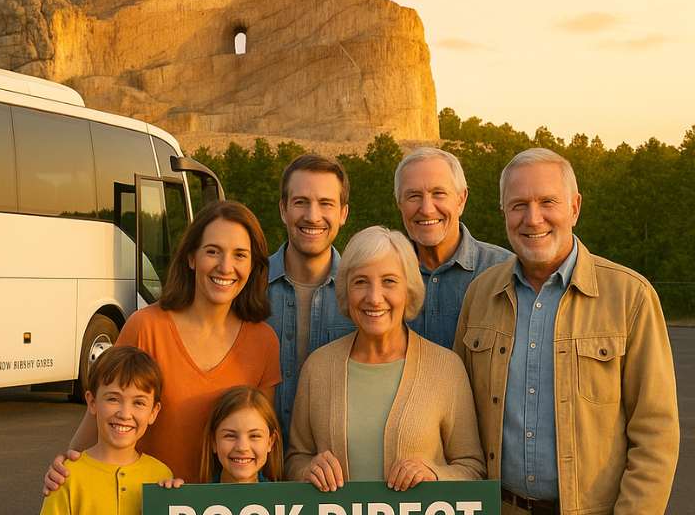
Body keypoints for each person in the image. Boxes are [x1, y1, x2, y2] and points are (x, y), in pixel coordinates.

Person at [454, 148, 679, 514]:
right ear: (504, 214)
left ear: (574, 207)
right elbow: (458, 417)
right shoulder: (480, 294)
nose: (533, 218)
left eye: (547, 202)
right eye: (518, 205)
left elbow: (655, 434)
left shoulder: (630, 297)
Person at [44, 200, 280, 489]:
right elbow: (99, 418)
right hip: (145, 501)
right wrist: (66, 470)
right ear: (191, 257)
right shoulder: (145, 327)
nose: (226, 266)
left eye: (240, 255)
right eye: (212, 251)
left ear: (253, 264)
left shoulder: (264, 341)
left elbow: (260, 436)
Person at [285, 226, 485, 491]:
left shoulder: (446, 368)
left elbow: (472, 469)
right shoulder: (318, 367)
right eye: (360, 282)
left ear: (409, 289)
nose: (374, 297)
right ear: (346, 290)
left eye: (389, 281)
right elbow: (294, 459)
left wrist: (435, 475)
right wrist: (306, 470)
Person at [267, 154, 357, 443]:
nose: (312, 216)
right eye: (300, 202)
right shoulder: (246, 286)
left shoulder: (365, 297)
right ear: (283, 210)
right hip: (255, 469)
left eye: (326, 203)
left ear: (343, 213)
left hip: (335, 472)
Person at [393, 147, 510, 347]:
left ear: (461, 199)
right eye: (413, 196)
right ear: (399, 203)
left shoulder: (504, 272)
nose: (427, 209)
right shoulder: (380, 274)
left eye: (438, 193)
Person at [39, 346, 172, 515]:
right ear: (92, 402)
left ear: (153, 412)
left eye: (139, 402)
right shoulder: (66, 476)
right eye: (113, 399)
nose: (125, 414)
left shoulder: (161, 475)